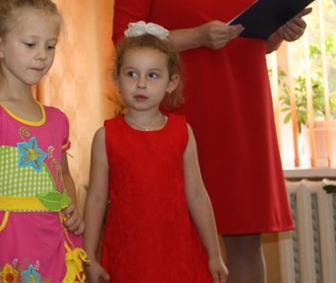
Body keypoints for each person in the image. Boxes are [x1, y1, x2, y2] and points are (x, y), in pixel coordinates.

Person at [112, 0, 308, 283]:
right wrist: (196, 37)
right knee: (181, 233)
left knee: (245, 236)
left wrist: (280, 33)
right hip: (184, 111)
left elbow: (252, 41)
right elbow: (125, 40)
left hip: (244, 112)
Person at [0, 0, 88, 283]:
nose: (42, 56)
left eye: (50, 46)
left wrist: (73, 209)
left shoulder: (56, 119)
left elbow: (63, 177)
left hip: (56, 248)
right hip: (12, 251)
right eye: (30, 44)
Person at [84, 21, 228, 283]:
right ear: (116, 79)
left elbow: (197, 196)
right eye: (131, 74)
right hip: (127, 255)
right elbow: (95, 199)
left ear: (171, 82)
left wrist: (214, 254)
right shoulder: (105, 136)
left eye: (152, 75)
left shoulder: (182, 132)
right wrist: (89, 257)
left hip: (178, 253)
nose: (141, 84)